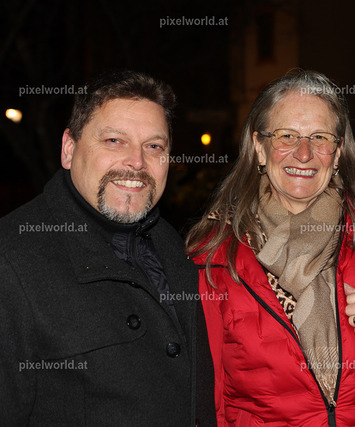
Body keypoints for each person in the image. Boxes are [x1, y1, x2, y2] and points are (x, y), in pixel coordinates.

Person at [187, 69, 355, 426]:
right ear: (259, 146)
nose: (303, 153)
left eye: (319, 137)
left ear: (337, 153)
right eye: (287, 136)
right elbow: (207, 395)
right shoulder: (215, 255)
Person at [0, 70, 214, 425]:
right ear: (69, 149)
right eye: (114, 140)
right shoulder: (11, 261)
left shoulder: (178, 249)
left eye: (154, 146)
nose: (137, 162)